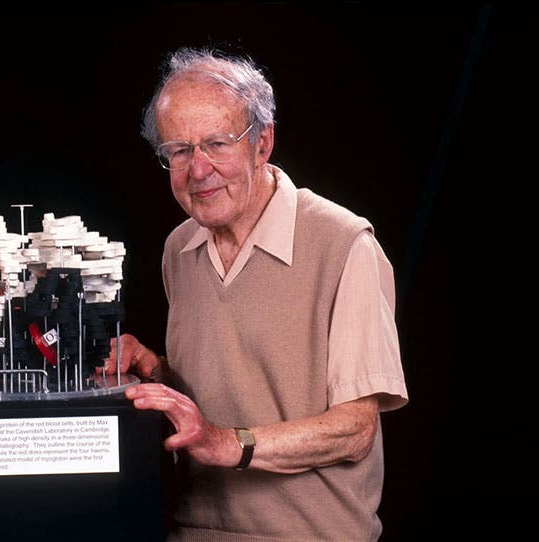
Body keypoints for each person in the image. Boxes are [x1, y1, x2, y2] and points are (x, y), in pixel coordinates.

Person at [106, 47, 409, 541]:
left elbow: (355, 430)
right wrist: (152, 368)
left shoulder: (343, 243)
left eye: (217, 144)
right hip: (191, 531)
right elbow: (221, 386)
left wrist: (228, 444)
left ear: (263, 142)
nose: (197, 170)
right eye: (179, 152)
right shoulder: (179, 249)